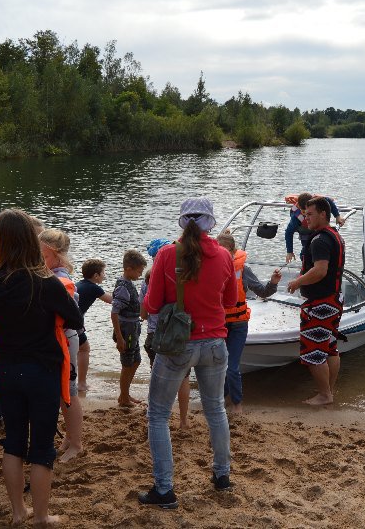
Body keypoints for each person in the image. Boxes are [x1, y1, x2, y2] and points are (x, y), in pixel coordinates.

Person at [0, 209, 82, 526]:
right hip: (42, 372)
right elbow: (75, 319)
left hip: (7, 371)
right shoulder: (45, 282)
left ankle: (18, 512)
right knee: (42, 447)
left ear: (0, 242)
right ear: (31, 241)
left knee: (14, 442)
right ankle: (42, 517)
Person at [139, 197, 237, 509]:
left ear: (182, 221)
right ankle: (222, 476)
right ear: (211, 222)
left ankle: (164, 489)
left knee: (157, 414)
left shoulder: (167, 254)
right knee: (215, 410)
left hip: (177, 345)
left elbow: (153, 304)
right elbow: (230, 301)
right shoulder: (223, 255)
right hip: (215, 343)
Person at [287, 197, 346, 405]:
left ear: (323, 214)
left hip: (320, 303)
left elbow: (320, 270)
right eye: (305, 214)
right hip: (334, 299)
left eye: (310, 214)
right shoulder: (335, 235)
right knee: (330, 347)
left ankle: (324, 395)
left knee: (313, 350)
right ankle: (329, 391)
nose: (306, 218)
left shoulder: (320, 240)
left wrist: (297, 282)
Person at [216, 232, 281, 414]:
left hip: (238, 325)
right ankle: (222, 399)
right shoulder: (211, 267)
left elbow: (262, 291)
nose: (220, 254)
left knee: (232, 367)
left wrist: (273, 283)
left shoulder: (243, 269)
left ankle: (237, 404)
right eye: (217, 250)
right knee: (219, 365)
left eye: (224, 250)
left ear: (232, 251)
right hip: (219, 324)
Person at [38, 228, 85, 463]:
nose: (39, 261)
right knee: (62, 393)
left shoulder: (61, 279)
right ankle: (69, 436)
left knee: (69, 393)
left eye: (44, 256)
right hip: (59, 339)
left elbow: (71, 313)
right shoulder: (52, 274)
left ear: (58, 256)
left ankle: (76, 443)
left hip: (66, 339)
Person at [140, 239, 191, 430]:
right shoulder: (184, 276)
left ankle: (156, 418)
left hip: (156, 335)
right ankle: (184, 420)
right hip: (179, 334)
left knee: (158, 378)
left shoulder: (148, 280)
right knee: (184, 378)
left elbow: (144, 313)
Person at [111, 249, 148, 407]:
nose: (140, 274)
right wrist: (120, 337)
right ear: (128, 269)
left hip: (133, 328)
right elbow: (114, 312)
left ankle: (124, 394)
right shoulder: (123, 287)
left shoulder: (128, 283)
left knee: (136, 361)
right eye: (139, 271)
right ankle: (124, 398)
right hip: (127, 330)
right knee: (127, 364)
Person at [74, 259, 113, 392]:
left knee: (74, 349)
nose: (104, 276)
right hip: (74, 323)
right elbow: (112, 300)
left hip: (68, 321)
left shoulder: (80, 283)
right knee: (84, 349)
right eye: (103, 273)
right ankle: (81, 384)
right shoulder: (94, 287)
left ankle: (73, 381)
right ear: (96, 275)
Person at [285, 192, 345, 265]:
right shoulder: (296, 219)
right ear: (299, 207)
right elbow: (288, 232)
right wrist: (290, 251)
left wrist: (337, 216)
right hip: (305, 232)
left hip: (317, 230)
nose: (306, 217)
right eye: (304, 212)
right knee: (305, 253)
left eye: (309, 213)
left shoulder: (318, 201)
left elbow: (329, 202)